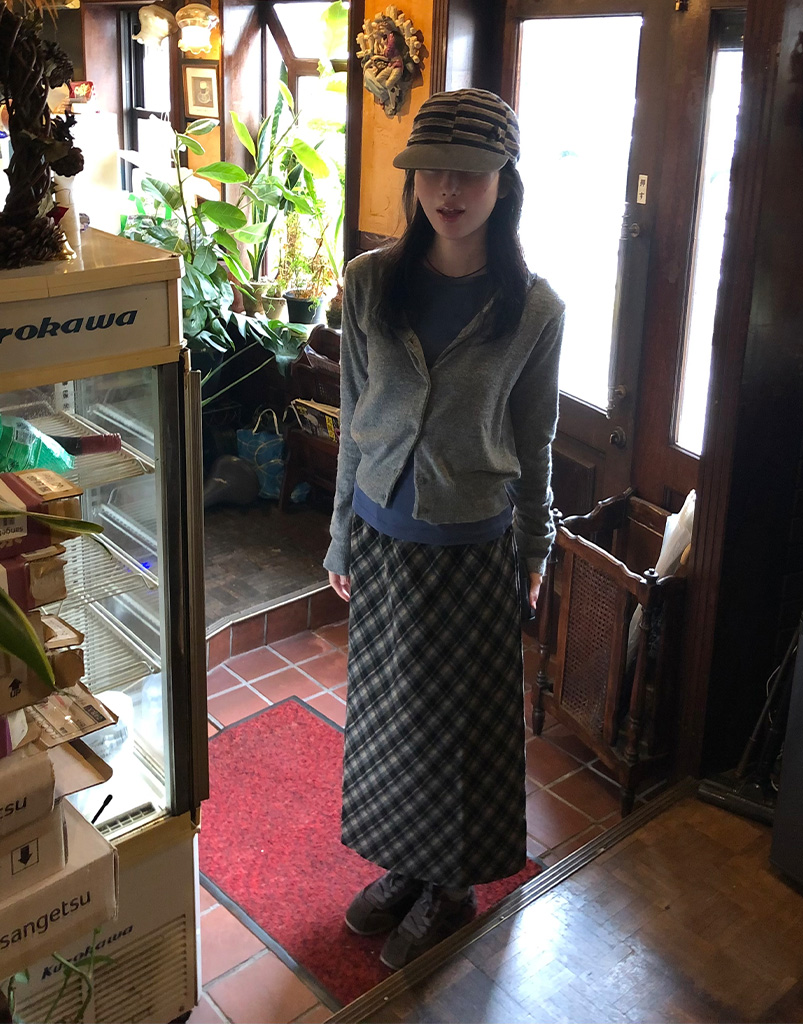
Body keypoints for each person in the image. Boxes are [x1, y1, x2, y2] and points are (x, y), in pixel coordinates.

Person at [324, 88, 565, 971]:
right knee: (391, 723)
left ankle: (451, 886)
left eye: (470, 171)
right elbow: (354, 420)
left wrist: (536, 550)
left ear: (505, 181)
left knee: (456, 731)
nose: (448, 189)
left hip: (472, 550)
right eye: (431, 170)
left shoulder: (534, 308)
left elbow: (534, 442)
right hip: (383, 538)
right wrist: (340, 534)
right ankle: (406, 866)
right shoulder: (369, 282)